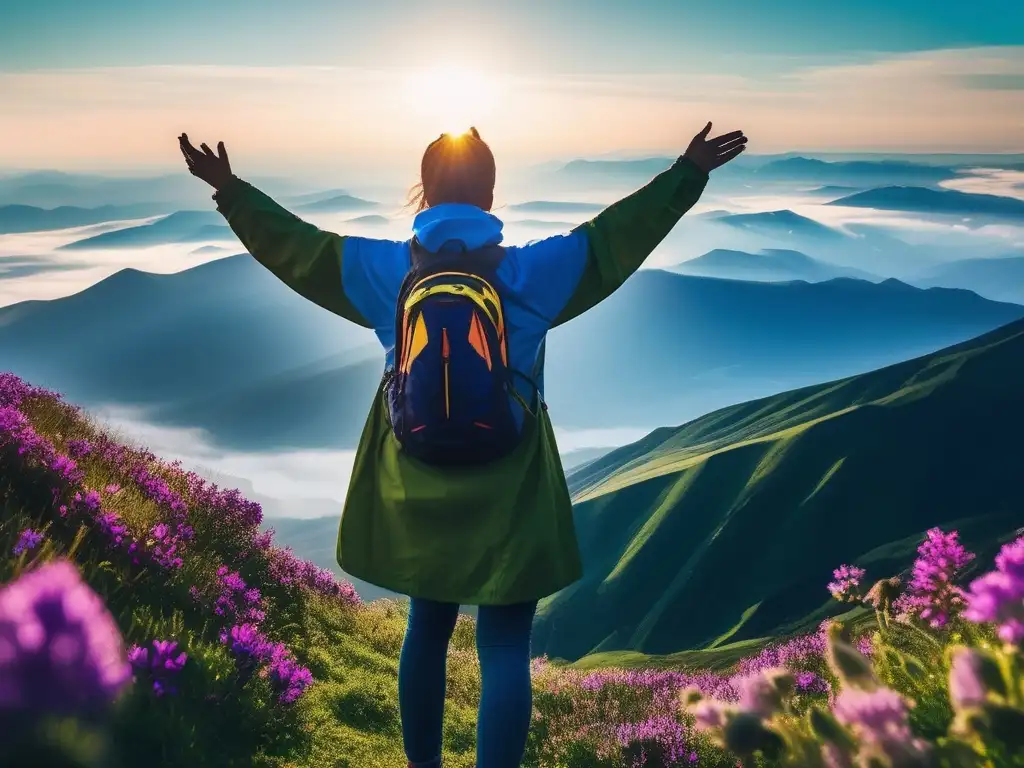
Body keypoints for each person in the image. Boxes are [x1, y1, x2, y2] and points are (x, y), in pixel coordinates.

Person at [178, 122, 746, 768]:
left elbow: (300, 251)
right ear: (492, 193)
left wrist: (230, 192)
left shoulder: (385, 268)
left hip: (418, 482)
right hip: (509, 485)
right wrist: (686, 175)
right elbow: (615, 238)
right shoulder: (536, 270)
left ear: (423, 192)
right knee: (503, 646)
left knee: (426, 628)